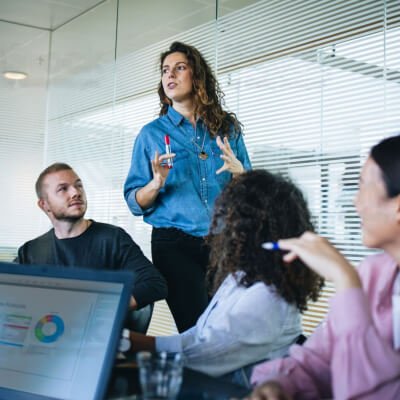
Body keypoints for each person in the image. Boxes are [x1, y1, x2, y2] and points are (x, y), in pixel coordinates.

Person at [126, 170, 324, 387]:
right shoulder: (241, 277)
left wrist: (126, 341)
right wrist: (128, 341)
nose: (219, 225)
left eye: (228, 216)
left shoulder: (269, 295)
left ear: (247, 228)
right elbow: (197, 337)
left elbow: (200, 355)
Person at [248, 135, 400, 400]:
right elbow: (319, 359)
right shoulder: (371, 273)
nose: (355, 202)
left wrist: (345, 280)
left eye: (363, 185)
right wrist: (281, 384)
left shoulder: (353, 280)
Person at [124, 41, 251, 332]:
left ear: (197, 75)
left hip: (223, 243)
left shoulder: (227, 130)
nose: (170, 75)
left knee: (228, 327)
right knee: (196, 330)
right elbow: (134, 201)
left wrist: (241, 173)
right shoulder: (151, 134)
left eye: (179, 68)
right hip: (174, 245)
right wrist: (156, 183)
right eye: (165, 70)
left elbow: (250, 196)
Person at [16, 163, 167, 311]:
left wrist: (101, 309)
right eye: (63, 189)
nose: (75, 192)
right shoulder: (30, 251)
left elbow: (154, 283)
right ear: (44, 205)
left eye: (79, 185)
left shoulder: (112, 239)